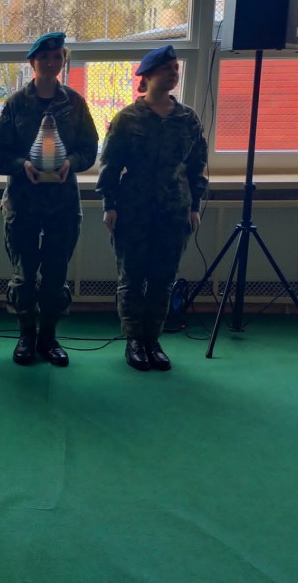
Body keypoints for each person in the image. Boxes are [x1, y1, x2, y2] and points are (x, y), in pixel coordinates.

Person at [0, 32, 99, 367]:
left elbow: (89, 148)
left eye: (57, 57)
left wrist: (71, 163)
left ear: (63, 60)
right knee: (24, 276)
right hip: (23, 203)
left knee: (55, 274)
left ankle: (49, 338)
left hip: (62, 204)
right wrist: (22, 165)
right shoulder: (16, 104)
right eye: (44, 58)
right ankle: (26, 336)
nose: (52, 63)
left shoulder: (75, 103)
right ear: (32, 63)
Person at [96, 45, 208, 372]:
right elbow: (110, 165)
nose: (173, 73)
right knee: (131, 277)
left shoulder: (187, 119)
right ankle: (134, 339)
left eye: (175, 68)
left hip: (175, 209)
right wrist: (109, 205)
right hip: (133, 209)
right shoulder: (128, 118)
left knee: (163, 278)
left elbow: (197, 167)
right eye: (166, 68)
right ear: (147, 76)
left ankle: (153, 340)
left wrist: (195, 207)